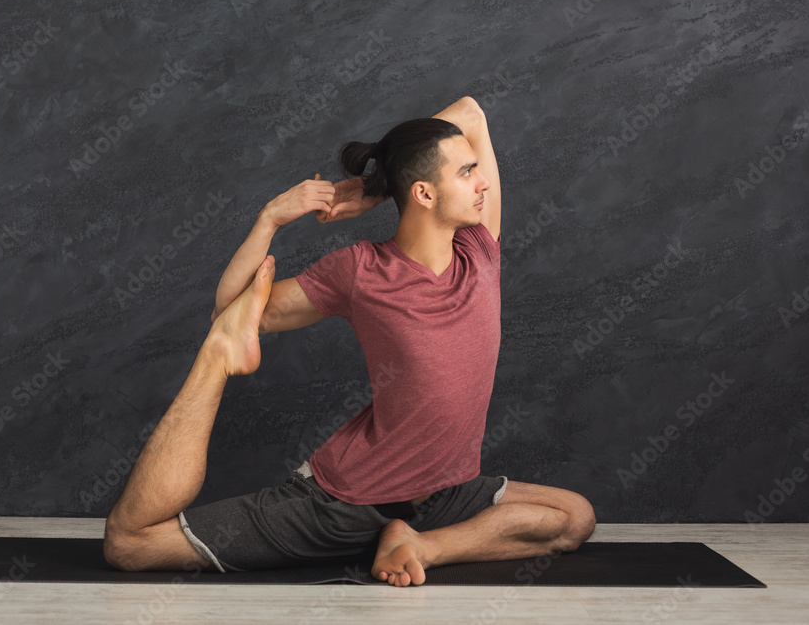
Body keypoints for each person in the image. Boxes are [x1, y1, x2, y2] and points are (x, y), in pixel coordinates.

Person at [103, 96, 595, 587]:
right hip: (345, 503)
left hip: (443, 495)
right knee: (131, 546)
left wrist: (375, 187)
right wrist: (269, 219)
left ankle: (418, 545)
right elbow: (231, 312)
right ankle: (219, 371)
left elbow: (469, 112)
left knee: (574, 517)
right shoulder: (361, 270)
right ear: (424, 194)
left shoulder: (479, 250)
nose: (484, 181)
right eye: (467, 172)